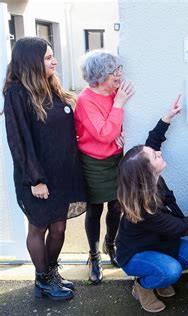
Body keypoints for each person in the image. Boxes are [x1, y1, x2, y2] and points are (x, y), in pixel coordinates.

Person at [2, 37, 87, 300]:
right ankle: (43, 280)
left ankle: (50, 273)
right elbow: (18, 140)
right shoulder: (16, 92)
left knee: (59, 228)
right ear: (31, 61)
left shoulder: (51, 87)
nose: (55, 61)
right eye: (49, 57)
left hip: (63, 174)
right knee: (38, 228)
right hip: (38, 176)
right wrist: (35, 179)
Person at [115, 96, 188, 313]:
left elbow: (152, 143)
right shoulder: (144, 208)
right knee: (171, 270)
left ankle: (157, 274)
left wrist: (167, 117)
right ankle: (143, 286)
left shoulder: (148, 178)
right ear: (148, 171)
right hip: (135, 254)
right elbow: (182, 227)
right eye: (155, 156)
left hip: (159, 244)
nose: (158, 153)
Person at [74, 50, 134, 284]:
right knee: (95, 209)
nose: (118, 75)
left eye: (118, 69)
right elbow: (102, 134)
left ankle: (112, 245)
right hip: (93, 162)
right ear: (99, 76)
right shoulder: (86, 100)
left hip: (115, 159)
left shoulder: (115, 91)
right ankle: (94, 256)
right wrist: (118, 106)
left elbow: (117, 128)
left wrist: (121, 136)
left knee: (117, 206)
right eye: (113, 72)